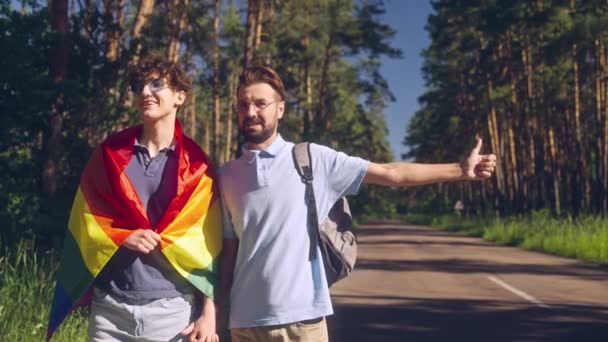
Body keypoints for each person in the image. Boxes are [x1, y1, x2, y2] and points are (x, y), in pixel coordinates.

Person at [218, 66, 497, 342]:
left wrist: (460, 170)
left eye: (260, 103)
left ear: (280, 109)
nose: (251, 112)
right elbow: (229, 253)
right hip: (244, 322)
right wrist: (215, 310)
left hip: (301, 320)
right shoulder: (226, 175)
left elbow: (392, 173)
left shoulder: (312, 159)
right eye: (243, 105)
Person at [47, 55, 222, 342]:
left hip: (173, 312)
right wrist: (121, 236)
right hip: (111, 310)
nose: (144, 92)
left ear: (180, 96)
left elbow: (208, 246)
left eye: (156, 84)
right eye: (138, 85)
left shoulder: (198, 166)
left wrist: (209, 312)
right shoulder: (109, 155)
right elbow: (85, 219)